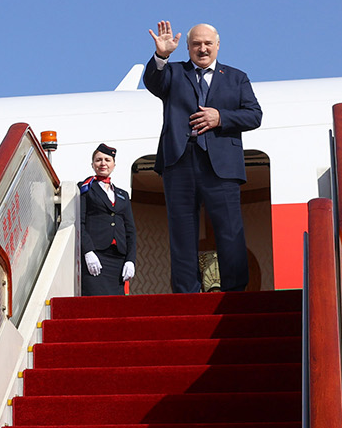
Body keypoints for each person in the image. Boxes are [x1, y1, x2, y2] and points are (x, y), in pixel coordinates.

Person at [144, 21, 262, 292]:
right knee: (182, 232)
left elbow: (254, 115)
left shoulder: (236, 77)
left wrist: (221, 117)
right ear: (187, 47)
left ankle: (234, 292)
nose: (203, 48)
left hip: (222, 165)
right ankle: (186, 293)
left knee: (229, 230)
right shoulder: (173, 72)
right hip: (179, 161)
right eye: (196, 43)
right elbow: (153, 81)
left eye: (208, 43)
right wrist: (161, 55)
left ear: (218, 45)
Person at [79, 143, 136, 296]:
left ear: (114, 165)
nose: (103, 163)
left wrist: (131, 260)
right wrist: (88, 251)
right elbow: (80, 223)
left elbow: (130, 230)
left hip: (118, 259)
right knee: (95, 301)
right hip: (96, 256)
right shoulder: (86, 188)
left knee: (116, 304)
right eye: (98, 160)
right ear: (92, 164)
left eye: (107, 160)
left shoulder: (122, 194)